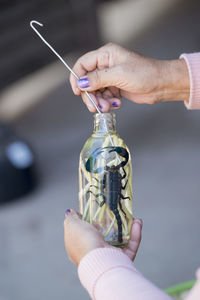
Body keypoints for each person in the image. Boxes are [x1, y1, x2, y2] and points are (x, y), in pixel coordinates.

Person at [64, 43, 200, 300]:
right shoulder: (115, 162)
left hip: (113, 201)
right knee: (106, 200)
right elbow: (100, 182)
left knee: (112, 205)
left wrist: (95, 262)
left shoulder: (117, 158)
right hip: (110, 196)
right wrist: (165, 79)